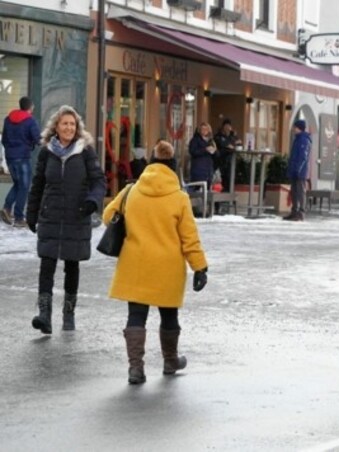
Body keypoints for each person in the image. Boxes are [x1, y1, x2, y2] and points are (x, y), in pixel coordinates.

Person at [103, 140, 208, 385]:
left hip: (135, 264)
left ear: (150, 164)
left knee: (136, 316)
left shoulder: (131, 190)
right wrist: (200, 267)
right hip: (167, 267)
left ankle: (136, 369)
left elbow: (109, 216)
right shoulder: (179, 198)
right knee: (169, 316)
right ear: (172, 166)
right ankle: (170, 361)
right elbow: (189, 238)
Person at [25, 105, 106, 333]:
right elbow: (38, 184)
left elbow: (99, 181)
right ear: (56, 127)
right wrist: (32, 213)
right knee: (47, 264)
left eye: (72, 124)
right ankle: (44, 315)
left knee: (72, 265)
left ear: (77, 127)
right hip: (51, 215)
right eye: (64, 124)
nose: (69, 127)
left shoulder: (85, 151)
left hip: (76, 215)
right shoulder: (46, 152)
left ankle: (68, 314)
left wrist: (92, 201)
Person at [2, 96, 41, 227]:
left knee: (18, 184)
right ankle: (19, 218)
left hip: (10, 157)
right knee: (24, 186)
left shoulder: (7, 119)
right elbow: (37, 139)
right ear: (30, 107)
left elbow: (4, 140)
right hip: (22, 157)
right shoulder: (30, 121)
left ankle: (7, 208)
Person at [285, 119, 311, 221]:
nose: (293, 129)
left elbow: (303, 157)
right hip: (295, 169)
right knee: (294, 191)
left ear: (299, 128)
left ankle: (301, 213)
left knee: (300, 192)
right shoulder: (297, 139)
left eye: (295, 127)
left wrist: (298, 169)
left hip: (300, 171)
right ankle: (294, 211)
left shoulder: (304, 140)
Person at [213, 118, 242, 193]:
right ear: (223, 127)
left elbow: (238, 143)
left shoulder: (232, 136)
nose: (227, 128)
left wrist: (233, 143)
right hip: (221, 162)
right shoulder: (218, 136)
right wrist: (232, 145)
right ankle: (222, 198)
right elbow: (224, 144)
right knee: (223, 180)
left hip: (231, 162)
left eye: (229, 126)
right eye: (226, 126)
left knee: (230, 179)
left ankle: (228, 196)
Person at [188, 122, 216, 191]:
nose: (204, 131)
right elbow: (193, 151)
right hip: (198, 169)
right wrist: (205, 150)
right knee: (197, 188)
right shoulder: (195, 140)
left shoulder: (211, 140)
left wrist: (214, 151)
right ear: (199, 130)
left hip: (208, 169)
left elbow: (217, 154)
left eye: (206, 129)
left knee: (207, 188)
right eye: (202, 129)